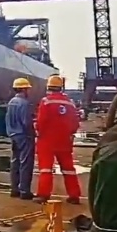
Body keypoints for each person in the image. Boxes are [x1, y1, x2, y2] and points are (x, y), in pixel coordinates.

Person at [34, 74, 82, 204]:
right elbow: (75, 123)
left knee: (46, 169)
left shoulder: (46, 101)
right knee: (68, 169)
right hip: (65, 141)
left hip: (47, 140)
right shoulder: (70, 103)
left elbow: (41, 121)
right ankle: (74, 195)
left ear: (49, 87)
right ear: (61, 88)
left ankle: (43, 194)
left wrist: (38, 131)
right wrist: (70, 133)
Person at [5, 77, 35, 200]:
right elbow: (26, 122)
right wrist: (32, 134)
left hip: (13, 135)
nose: (29, 91)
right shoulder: (24, 103)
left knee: (15, 162)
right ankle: (24, 191)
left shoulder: (11, 102)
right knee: (26, 163)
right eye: (27, 89)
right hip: (24, 135)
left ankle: (14, 189)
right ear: (24, 89)